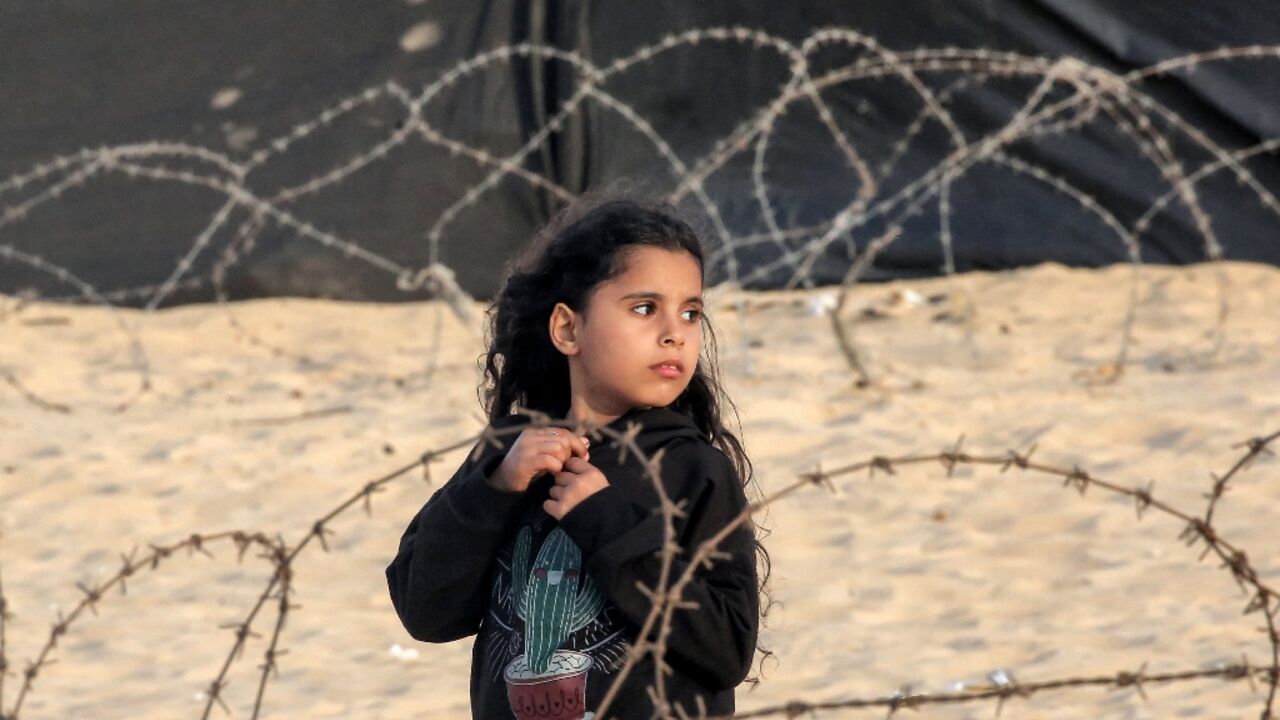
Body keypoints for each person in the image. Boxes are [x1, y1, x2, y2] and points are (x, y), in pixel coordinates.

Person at [385, 192, 772, 719]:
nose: (673, 334)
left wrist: (608, 526)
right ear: (569, 328)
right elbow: (425, 612)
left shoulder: (691, 470)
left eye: (690, 313)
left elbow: (726, 648)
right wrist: (493, 488)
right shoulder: (510, 458)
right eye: (644, 308)